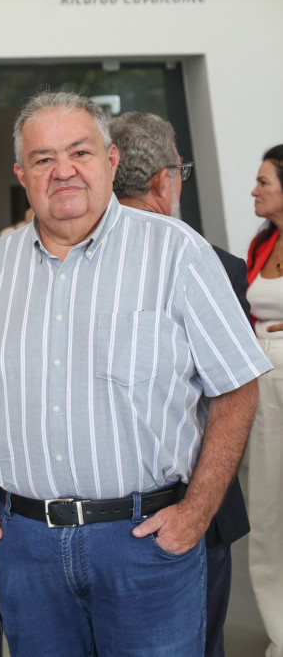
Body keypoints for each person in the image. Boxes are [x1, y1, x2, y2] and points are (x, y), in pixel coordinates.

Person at [0, 91, 271, 657]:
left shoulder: (178, 253)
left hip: (144, 546)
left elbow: (238, 387)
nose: (64, 170)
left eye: (79, 151)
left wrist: (196, 514)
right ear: (21, 174)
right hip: (25, 550)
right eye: (44, 158)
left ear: (112, 160)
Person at [110, 110, 252, 657]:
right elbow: (233, 395)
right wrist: (197, 515)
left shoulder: (60, 259)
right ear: (163, 181)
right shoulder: (215, 266)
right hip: (190, 511)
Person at [245, 144, 283, 657]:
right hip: (263, 377)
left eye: (264, 181)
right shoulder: (261, 245)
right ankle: (280, 630)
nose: (254, 190)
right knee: (268, 506)